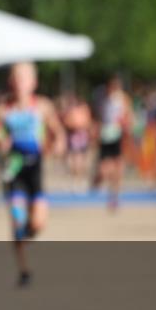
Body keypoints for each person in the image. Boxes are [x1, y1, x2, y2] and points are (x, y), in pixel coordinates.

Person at [0, 62, 66, 287]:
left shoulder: (42, 106)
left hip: (35, 169)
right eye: (16, 78)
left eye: (24, 78)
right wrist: (1, 143)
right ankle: (24, 269)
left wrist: (59, 144)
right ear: (11, 82)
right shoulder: (3, 109)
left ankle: (27, 233)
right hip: (14, 170)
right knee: (17, 219)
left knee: (38, 223)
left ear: (34, 82)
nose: (20, 83)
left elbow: (57, 132)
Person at [93, 75, 133, 210]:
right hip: (106, 136)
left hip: (118, 136)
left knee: (118, 168)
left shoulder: (123, 100)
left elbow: (128, 117)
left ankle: (114, 196)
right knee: (105, 169)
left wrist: (126, 124)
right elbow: (99, 118)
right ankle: (99, 179)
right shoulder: (103, 100)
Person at [61, 94, 92, 183]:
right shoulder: (71, 110)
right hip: (74, 133)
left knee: (80, 154)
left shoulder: (83, 109)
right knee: (75, 154)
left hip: (81, 133)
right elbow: (66, 121)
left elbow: (87, 121)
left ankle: (78, 173)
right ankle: (76, 173)